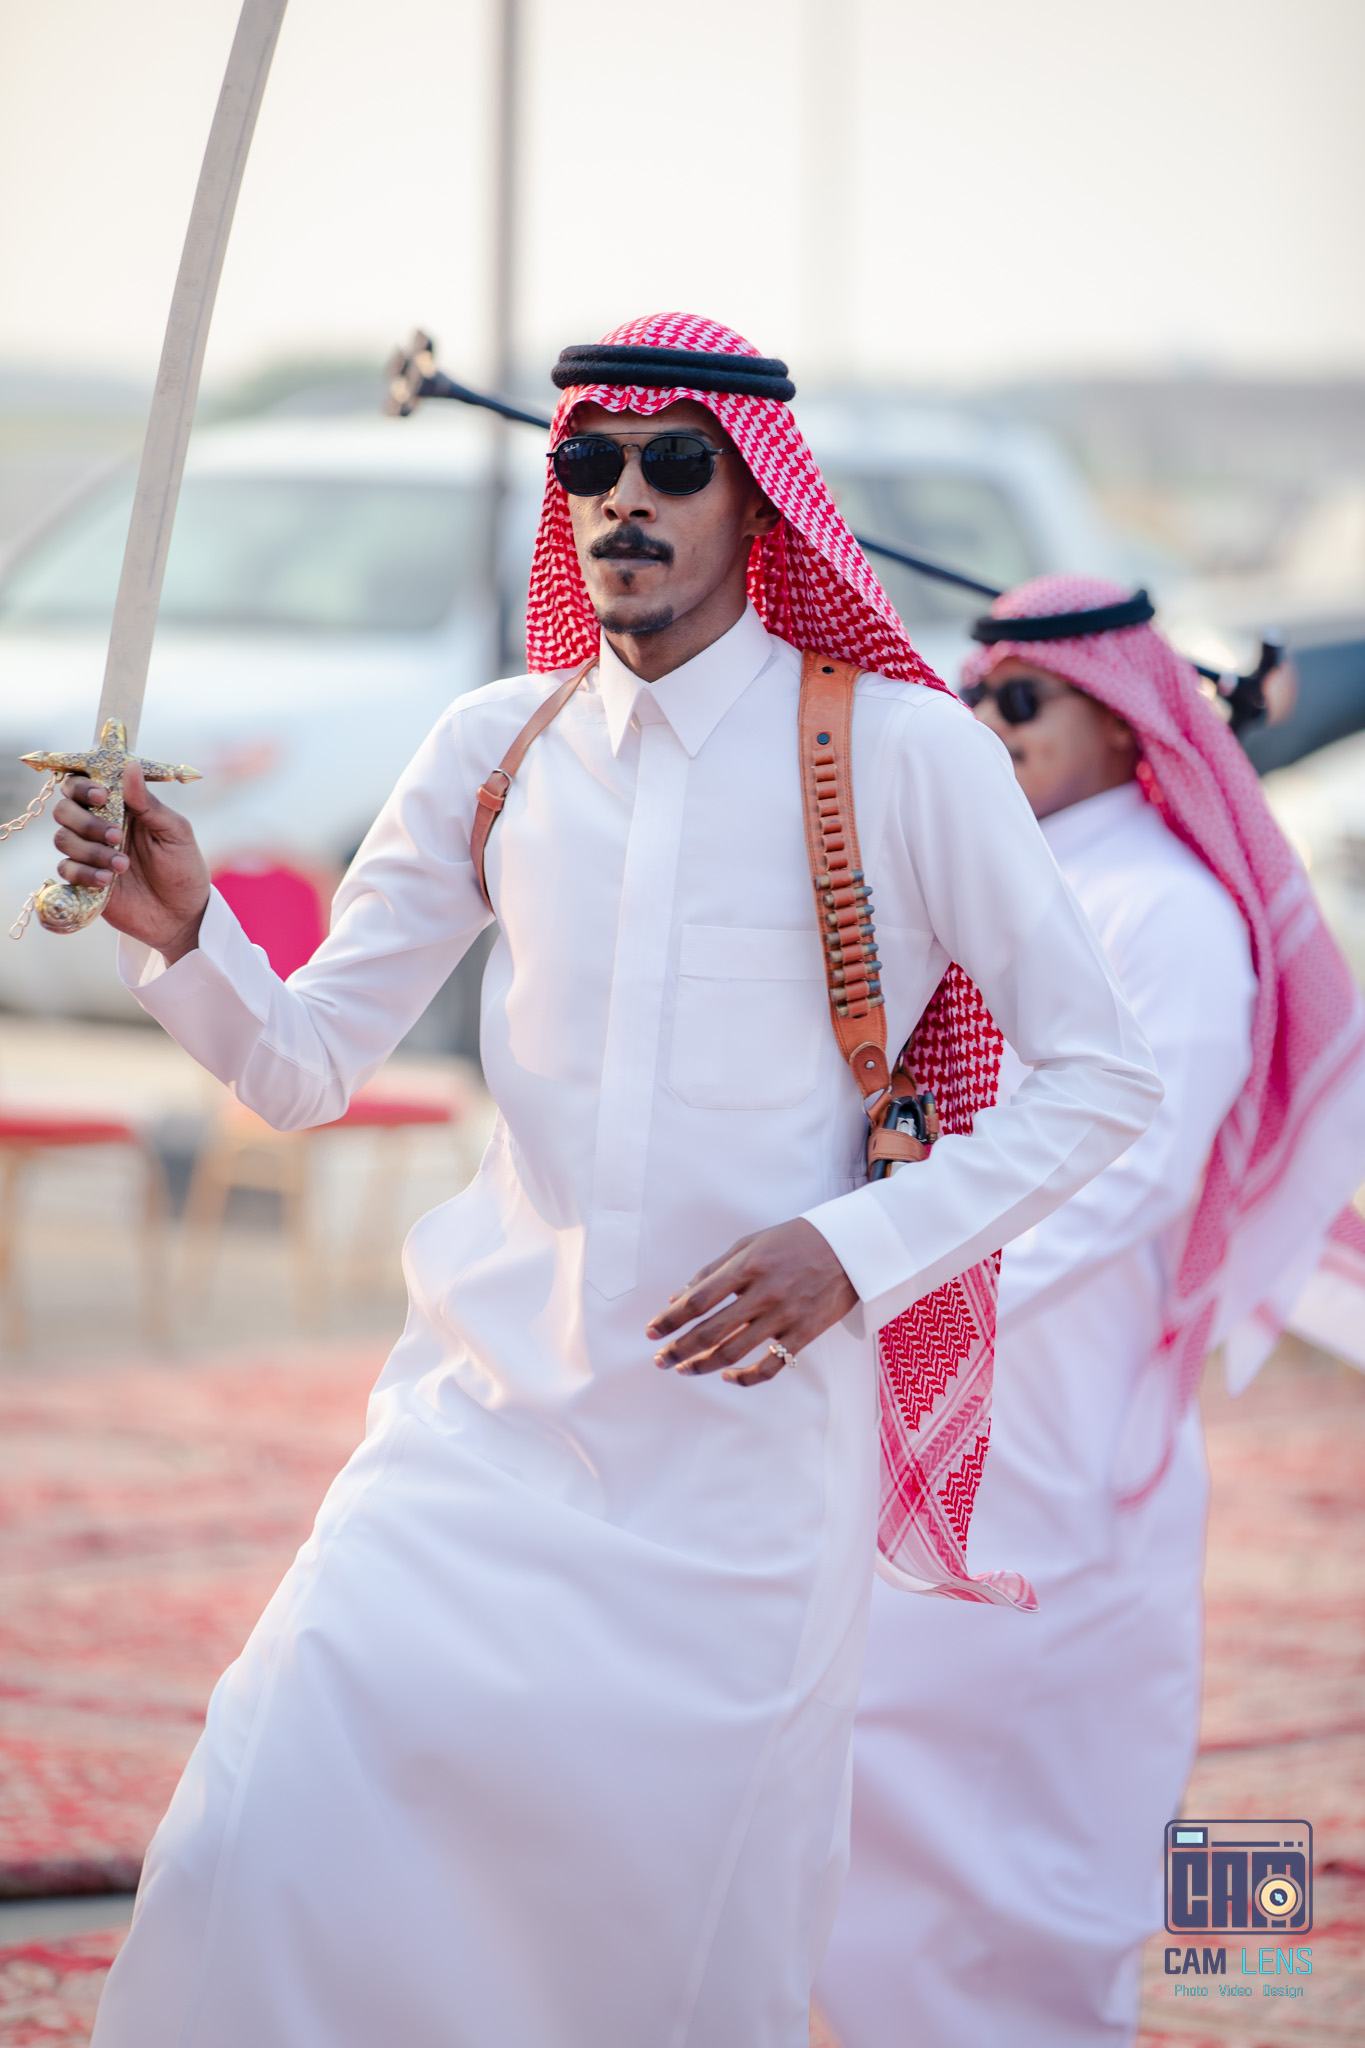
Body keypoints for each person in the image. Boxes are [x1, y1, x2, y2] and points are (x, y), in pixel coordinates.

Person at [58, 321, 1160, 2048]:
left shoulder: (898, 750)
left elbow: (1101, 1078)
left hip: (739, 1479)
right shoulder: (493, 748)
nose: (622, 498)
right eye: (588, 462)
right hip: (476, 1431)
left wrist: (854, 1250)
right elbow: (304, 1066)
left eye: (672, 464)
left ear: (759, 501)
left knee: (661, 1954)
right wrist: (185, 936)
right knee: (259, 1832)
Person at [816, 575, 1365, 2048]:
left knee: (1045, 1788)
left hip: (1058, 1410)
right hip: (938, 1379)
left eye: (1022, 701)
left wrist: (889, 1281)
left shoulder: (1165, 910)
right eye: (974, 697)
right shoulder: (1008, 882)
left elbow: (1132, 1179)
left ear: (1126, 723)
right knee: (903, 1763)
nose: (985, 725)